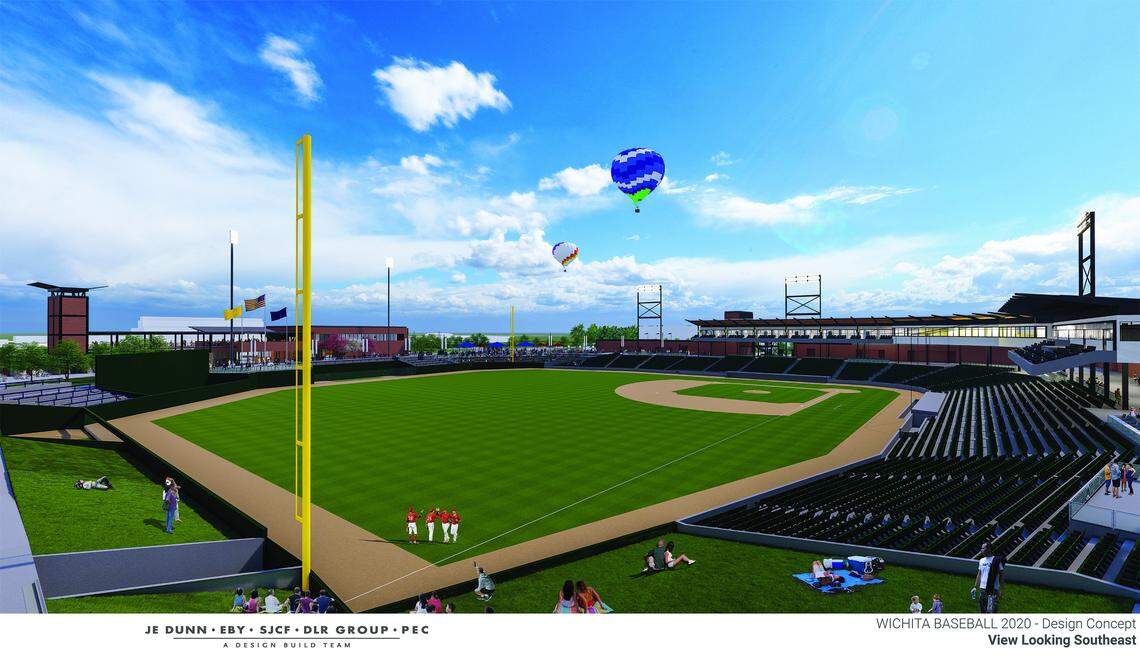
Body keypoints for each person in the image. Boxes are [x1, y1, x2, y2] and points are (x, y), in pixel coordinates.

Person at [974, 542, 1005, 614]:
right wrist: (975, 586)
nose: (981, 550)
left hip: (993, 589)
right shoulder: (981, 560)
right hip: (983, 589)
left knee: (992, 610)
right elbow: (979, 574)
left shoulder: (996, 560)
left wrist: (1002, 590)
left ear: (988, 549)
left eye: (983, 548)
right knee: (983, 609)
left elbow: (1001, 575)